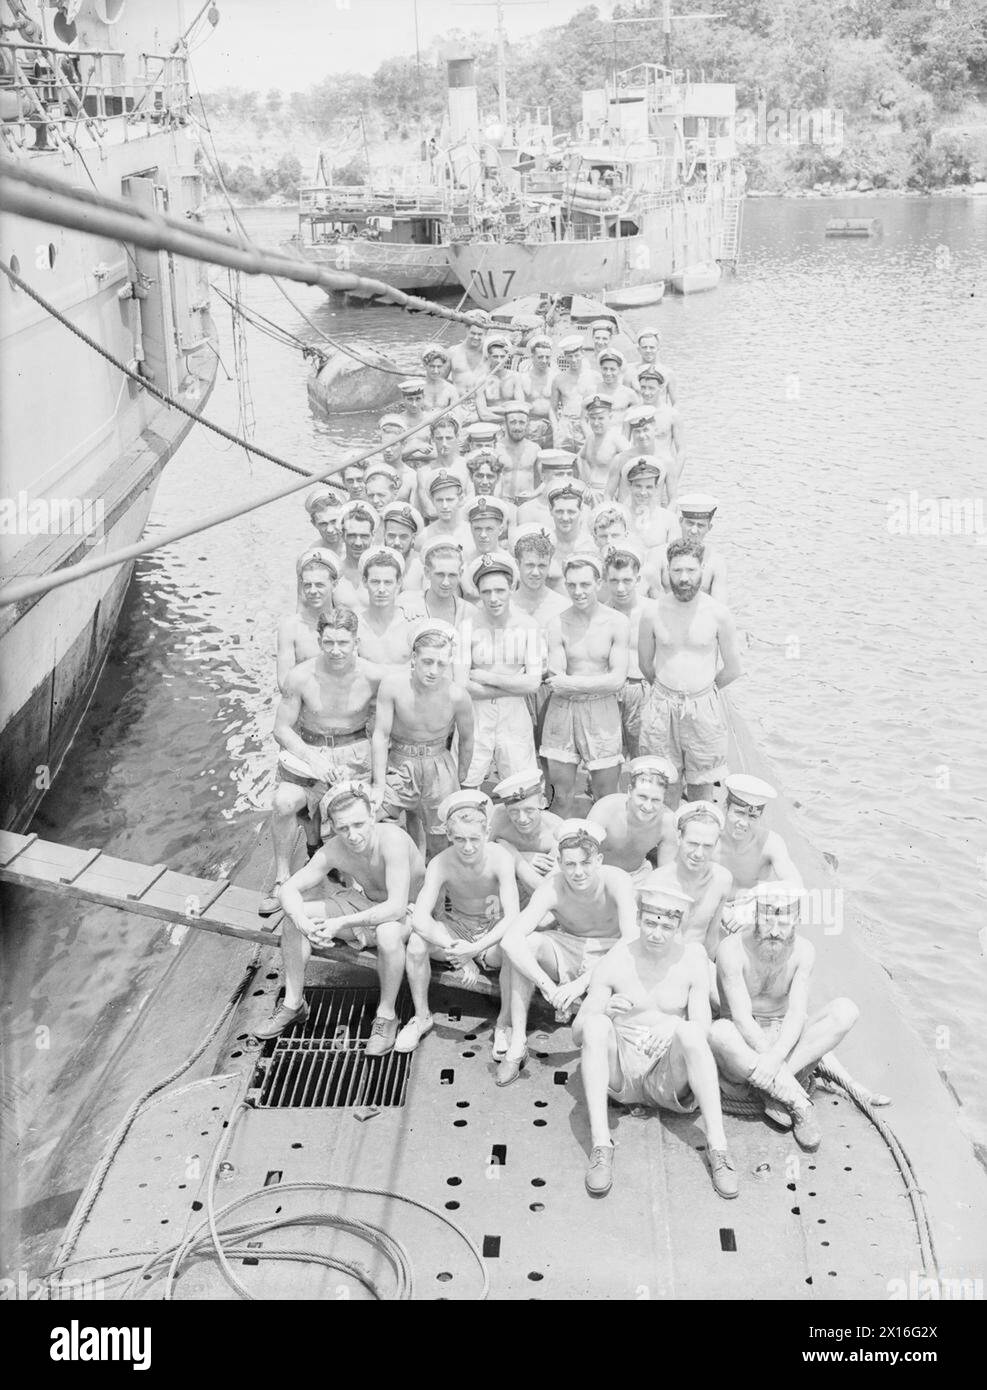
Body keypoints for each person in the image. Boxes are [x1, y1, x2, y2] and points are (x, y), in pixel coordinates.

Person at [574, 883, 739, 1199]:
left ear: (679, 926)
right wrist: (605, 1011)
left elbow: (703, 1026)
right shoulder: (618, 957)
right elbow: (578, 1031)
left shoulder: (692, 959)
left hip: (667, 1078)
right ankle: (601, 1145)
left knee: (691, 1032)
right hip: (621, 1075)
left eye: (666, 926)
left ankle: (718, 1149)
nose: (657, 933)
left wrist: (676, 1023)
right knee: (595, 1026)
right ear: (639, 918)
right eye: (650, 922)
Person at [254, 781, 424, 1059]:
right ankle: (294, 1003)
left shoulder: (392, 840)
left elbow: (396, 907)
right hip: (366, 906)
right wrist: (301, 920)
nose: (353, 835)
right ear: (332, 826)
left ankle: (386, 1016)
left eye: (359, 825)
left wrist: (339, 924)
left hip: (409, 909)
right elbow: (288, 889)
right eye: (343, 828)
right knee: (291, 921)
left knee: (388, 933)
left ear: (372, 817)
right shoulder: (335, 849)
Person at [710, 883, 862, 1150]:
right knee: (719, 1033)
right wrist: (767, 1058)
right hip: (743, 1047)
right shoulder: (731, 950)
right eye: (767, 919)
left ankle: (768, 1086)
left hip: (781, 1046)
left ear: (798, 920)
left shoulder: (804, 951)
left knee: (845, 1011)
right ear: (755, 914)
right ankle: (798, 1101)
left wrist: (773, 1059)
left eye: (784, 921)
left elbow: (795, 1013)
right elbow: (742, 1018)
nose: (775, 930)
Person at [499, 820, 638, 1084]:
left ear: (598, 860)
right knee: (527, 945)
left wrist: (578, 985)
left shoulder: (617, 880)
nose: (578, 872)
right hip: (570, 946)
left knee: (626, 976)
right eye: (570, 864)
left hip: (611, 952)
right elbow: (511, 940)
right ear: (560, 863)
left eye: (585, 863)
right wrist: (547, 986)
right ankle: (517, 1041)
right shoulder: (553, 886)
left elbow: (631, 938)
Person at [263, 608, 380, 915]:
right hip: (308, 755)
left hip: (354, 756)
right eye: (328, 642)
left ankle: (359, 880)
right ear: (318, 639)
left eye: (343, 642)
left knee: (357, 819)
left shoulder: (374, 676)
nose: (335, 650)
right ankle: (281, 878)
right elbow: (281, 729)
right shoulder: (301, 676)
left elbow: (387, 725)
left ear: (356, 640)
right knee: (282, 803)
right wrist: (311, 758)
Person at [403, 790, 518, 1052]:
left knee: (513, 946)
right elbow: (420, 917)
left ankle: (504, 1024)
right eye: (460, 839)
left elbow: (512, 916)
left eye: (475, 838)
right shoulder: (441, 863)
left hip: (491, 933)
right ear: (449, 836)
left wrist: (476, 949)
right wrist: (458, 951)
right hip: (456, 930)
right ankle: (421, 1017)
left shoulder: (500, 858)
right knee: (417, 942)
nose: (468, 847)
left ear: (487, 832)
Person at [638, 539, 744, 805]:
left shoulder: (719, 614)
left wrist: (703, 692)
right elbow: (645, 664)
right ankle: (664, 843)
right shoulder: (652, 612)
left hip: (703, 709)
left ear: (702, 569)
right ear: (668, 571)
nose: (684, 578)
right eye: (677, 571)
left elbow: (733, 668)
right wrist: (668, 690)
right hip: (662, 707)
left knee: (701, 788)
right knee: (664, 785)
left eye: (690, 570)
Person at [373, 620, 475, 856]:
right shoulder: (393, 685)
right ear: (413, 659)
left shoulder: (457, 695)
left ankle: (437, 888)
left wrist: (460, 774)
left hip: (439, 764)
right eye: (427, 661)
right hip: (399, 763)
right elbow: (381, 734)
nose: (433, 670)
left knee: (439, 837)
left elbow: (468, 738)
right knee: (373, 818)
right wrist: (379, 785)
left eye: (441, 664)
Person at [541, 553, 630, 813]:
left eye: (585, 585)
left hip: (603, 711)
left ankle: (604, 850)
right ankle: (560, 850)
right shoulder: (557, 623)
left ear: (599, 583)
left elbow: (617, 680)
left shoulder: (617, 622)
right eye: (571, 585)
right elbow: (556, 681)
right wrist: (593, 683)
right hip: (563, 712)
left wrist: (572, 683)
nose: (578, 592)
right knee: (559, 795)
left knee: (605, 796)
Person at [460, 551, 541, 786]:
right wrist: (514, 685)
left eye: (500, 591)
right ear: (478, 592)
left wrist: (487, 677)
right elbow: (462, 684)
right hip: (476, 713)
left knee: (521, 785)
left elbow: (533, 683)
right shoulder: (467, 627)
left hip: (514, 714)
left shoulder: (529, 626)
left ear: (511, 588)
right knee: (467, 781)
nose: (493, 598)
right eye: (486, 591)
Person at [645, 801, 733, 961]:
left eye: (707, 846)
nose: (699, 854)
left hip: (698, 964)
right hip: (660, 963)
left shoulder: (722, 880)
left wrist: (708, 972)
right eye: (693, 844)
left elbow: (712, 936)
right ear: (679, 837)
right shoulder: (657, 882)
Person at [716, 774, 803, 929]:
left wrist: (753, 908)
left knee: (791, 911)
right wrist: (719, 910)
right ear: (726, 807)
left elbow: (795, 885)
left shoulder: (770, 842)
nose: (743, 823)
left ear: (760, 816)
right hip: (713, 905)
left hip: (749, 910)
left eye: (752, 816)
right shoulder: (711, 836)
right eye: (739, 813)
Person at [588, 756, 678, 885]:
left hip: (637, 878)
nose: (647, 806)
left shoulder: (667, 822)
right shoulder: (606, 809)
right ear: (630, 791)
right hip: (596, 875)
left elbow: (665, 873)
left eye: (656, 800)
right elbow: (580, 854)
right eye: (642, 797)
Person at [602, 544, 650, 756]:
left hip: (642, 689)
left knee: (643, 753)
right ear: (605, 580)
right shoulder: (600, 614)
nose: (620, 588)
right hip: (609, 691)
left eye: (627, 581)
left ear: (638, 580)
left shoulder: (653, 612)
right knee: (606, 754)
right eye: (614, 581)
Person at [490, 768, 562, 905]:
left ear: (543, 803)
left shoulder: (557, 832)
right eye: (514, 812)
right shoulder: (497, 819)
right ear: (505, 809)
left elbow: (546, 891)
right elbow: (477, 858)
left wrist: (515, 858)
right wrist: (526, 856)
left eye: (529, 810)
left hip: (541, 899)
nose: (522, 819)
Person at [278, 549, 338, 694]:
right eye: (307, 585)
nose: (312, 591)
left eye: (319, 585)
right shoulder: (290, 627)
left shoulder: (348, 621)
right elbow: (284, 683)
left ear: (334, 585)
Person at [659, 494, 728, 601]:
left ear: (709, 528)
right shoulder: (658, 556)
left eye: (700, 525)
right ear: (680, 521)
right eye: (690, 523)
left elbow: (720, 604)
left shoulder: (716, 562)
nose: (694, 530)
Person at [355, 547, 415, 666]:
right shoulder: (355, 625)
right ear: (364, 582)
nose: (381, 589)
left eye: (388, 582)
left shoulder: (412, 623)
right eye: (375, 582)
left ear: (398, 582)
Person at [511, 524, 569, 626]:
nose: (536, 573)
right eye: (530, 565)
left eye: (542, 565)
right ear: (517, 564)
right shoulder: (504, 606)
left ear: (549, 564)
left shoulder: (564, 607)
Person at [404, 539, 470, 628]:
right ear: (427, 572)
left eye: (452, 575)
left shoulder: (469, 612)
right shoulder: (409, 606)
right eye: (440, 574)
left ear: (460, 574)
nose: (446, 583)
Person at [623, 457, 681, 551]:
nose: (643, 492)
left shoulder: (669, 519)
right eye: (638, 486)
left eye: (649, 487)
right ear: (630, 486)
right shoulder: (621, 516)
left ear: (656, 488)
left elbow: (674, 555)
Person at [545, 480, 595, 589]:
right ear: (550, 510)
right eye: (559, 511)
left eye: (571, 512)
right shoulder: (544, 547)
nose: (565, 518)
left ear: (581, 510)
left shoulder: (592, 546)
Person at [514, 449, 580, 529]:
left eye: (569, 474)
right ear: (543, 477)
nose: (565, 479)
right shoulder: (528, 510)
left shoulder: (580, 508)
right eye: (559, 474)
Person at [579, 395, 627, 503]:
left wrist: (621, 491)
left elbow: (631, 464)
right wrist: (585, 482)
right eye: (592, 418)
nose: (596, 423)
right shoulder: (590, 439)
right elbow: (581, 458)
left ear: (610, 417)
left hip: (609, 495)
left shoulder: (617, 439)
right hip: (589, 494)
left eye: (601, 418)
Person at [461, 497, 511, 599]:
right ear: (471, 529)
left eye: (489, 529)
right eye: (478, 529)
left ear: (500, 530)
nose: (483, 535)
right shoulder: (463, 563)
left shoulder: (509, 562)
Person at [550, 334, 592, 449]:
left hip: (587, 424)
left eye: (577, 355)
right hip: (565, 425)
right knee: (562, 460)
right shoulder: (559, 379)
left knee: (585, 461)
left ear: (583, 353)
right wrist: (556, 429)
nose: (574, 360)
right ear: (565, 357)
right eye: (570, 356)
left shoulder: (593, 377)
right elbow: (552, 408)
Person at [494, 400, 540, 505]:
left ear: (528, 424)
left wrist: (534, 494)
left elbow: (547, 479)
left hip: (528, 503)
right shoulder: (496, 449)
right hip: (504, 503)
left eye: (522, 422)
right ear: (505, 424)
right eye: (513, 422)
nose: (517, 427)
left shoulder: (535, 449)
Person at [336, 501, 379, 607]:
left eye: (364, 536)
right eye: (352, 536)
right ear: (342, 535)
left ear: (372, 536)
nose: (358, 543)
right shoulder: (335, 573)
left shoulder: (385, 572)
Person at [420, 471, 472, 554]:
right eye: (439, 500)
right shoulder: (424, 536)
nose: (444, 506)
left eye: (449, 500)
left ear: (461, 499)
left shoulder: (471, 532)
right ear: (432, 501)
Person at [380, 500, 426, 593]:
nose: (396, 542)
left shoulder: (422, 565)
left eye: (403, 537)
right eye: (391, 536)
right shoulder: (374, 561)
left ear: (413, 538)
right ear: (384, 535)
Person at [476, 336, 523, 422]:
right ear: (489, 357)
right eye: (495, 356)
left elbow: (520, 408)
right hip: (491, 423)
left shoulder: (515, 377)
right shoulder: (482, 380)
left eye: (502, 356)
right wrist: (506, 417)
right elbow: (483, 415)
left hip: (513, 424)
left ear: (507, 357)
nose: (499, 360)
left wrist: (490, 409)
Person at [594, 347, 640, 426]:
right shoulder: (593, 391)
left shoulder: (629, 394)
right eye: (605, 369)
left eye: (612, 369)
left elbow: (636, 420)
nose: (608, 373)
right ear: (600, 369)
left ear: (619, 369)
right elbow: (584, 419)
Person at [634, 326, 678, 405]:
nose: (648, 351)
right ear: (638, 349)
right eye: (644, 347)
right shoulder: (631, 372)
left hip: (659, 414)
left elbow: (675, 403)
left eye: (652, 347)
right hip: (638, 414)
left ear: (658, 348)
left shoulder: (668, 373)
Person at [449, 311, 489, 393]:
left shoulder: (489, 352)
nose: (476, 337)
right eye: (473, 333)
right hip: (458, 401)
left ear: (486, 333)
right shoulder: (453, 352)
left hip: (482, 401)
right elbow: (442, 380)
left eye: (480, 334)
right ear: (467, 330)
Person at [421, 345, 458, 413]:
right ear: (425, 365)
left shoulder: (451, 389)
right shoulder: (417, 388)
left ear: (444, 366)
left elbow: (457, 415)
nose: (436, 371)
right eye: (432, 366)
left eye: (439, 367)